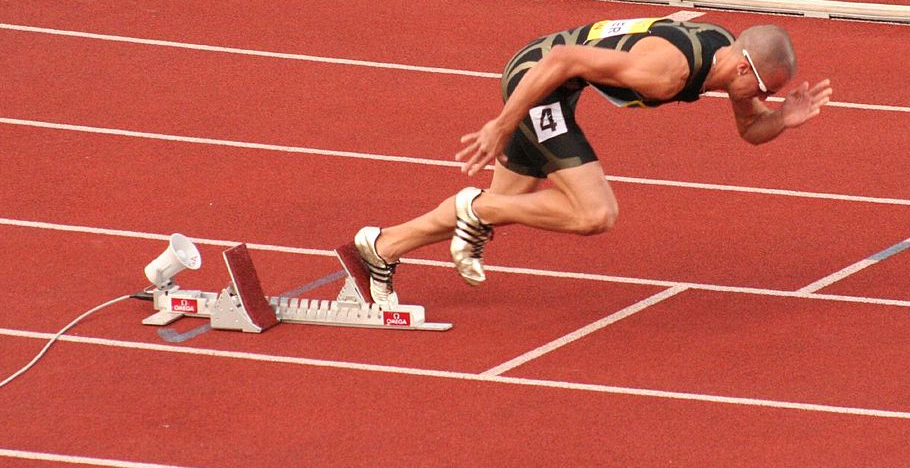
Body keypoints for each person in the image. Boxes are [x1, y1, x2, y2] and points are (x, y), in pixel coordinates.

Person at [351, 17, 833, 307]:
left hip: (560, 85)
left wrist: (783, 120)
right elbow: (560, 60)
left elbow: (750, 130)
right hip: (540, 80)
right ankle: (476, 210)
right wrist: (501, 124)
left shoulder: (725, 56)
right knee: (595, 213)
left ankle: (382, 245)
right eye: (765, 91)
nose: (760, 99)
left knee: (512, 201)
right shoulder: (668, 71)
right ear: (745, 67)